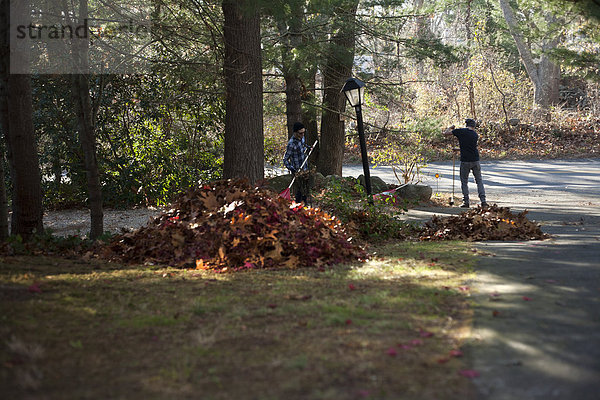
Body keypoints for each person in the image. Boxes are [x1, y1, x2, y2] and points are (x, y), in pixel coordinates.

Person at [443, 118, 488, 208]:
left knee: (464, 181)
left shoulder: (461, 131)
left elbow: (445, 134)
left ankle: (466, 202)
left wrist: (450, 127)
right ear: (474, 126)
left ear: (466, 125)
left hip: (465, 161)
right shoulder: (475, 135)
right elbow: (470, 147)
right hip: (475, 160)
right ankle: (483, 201)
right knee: (479, 181)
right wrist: (458, 149)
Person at [283, 122, 309, 202]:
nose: (302, 134)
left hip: (305, 167)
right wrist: (292, 169)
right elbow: (285, 159)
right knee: (299, 191)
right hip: (297, 171)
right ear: (295, 132)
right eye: (300, 133)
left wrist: (309, 148)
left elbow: (303, 146)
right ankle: (297, 208)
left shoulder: (302, 138)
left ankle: (306, 206)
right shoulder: (291, 144)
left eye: (304, 132)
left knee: (306, 190)